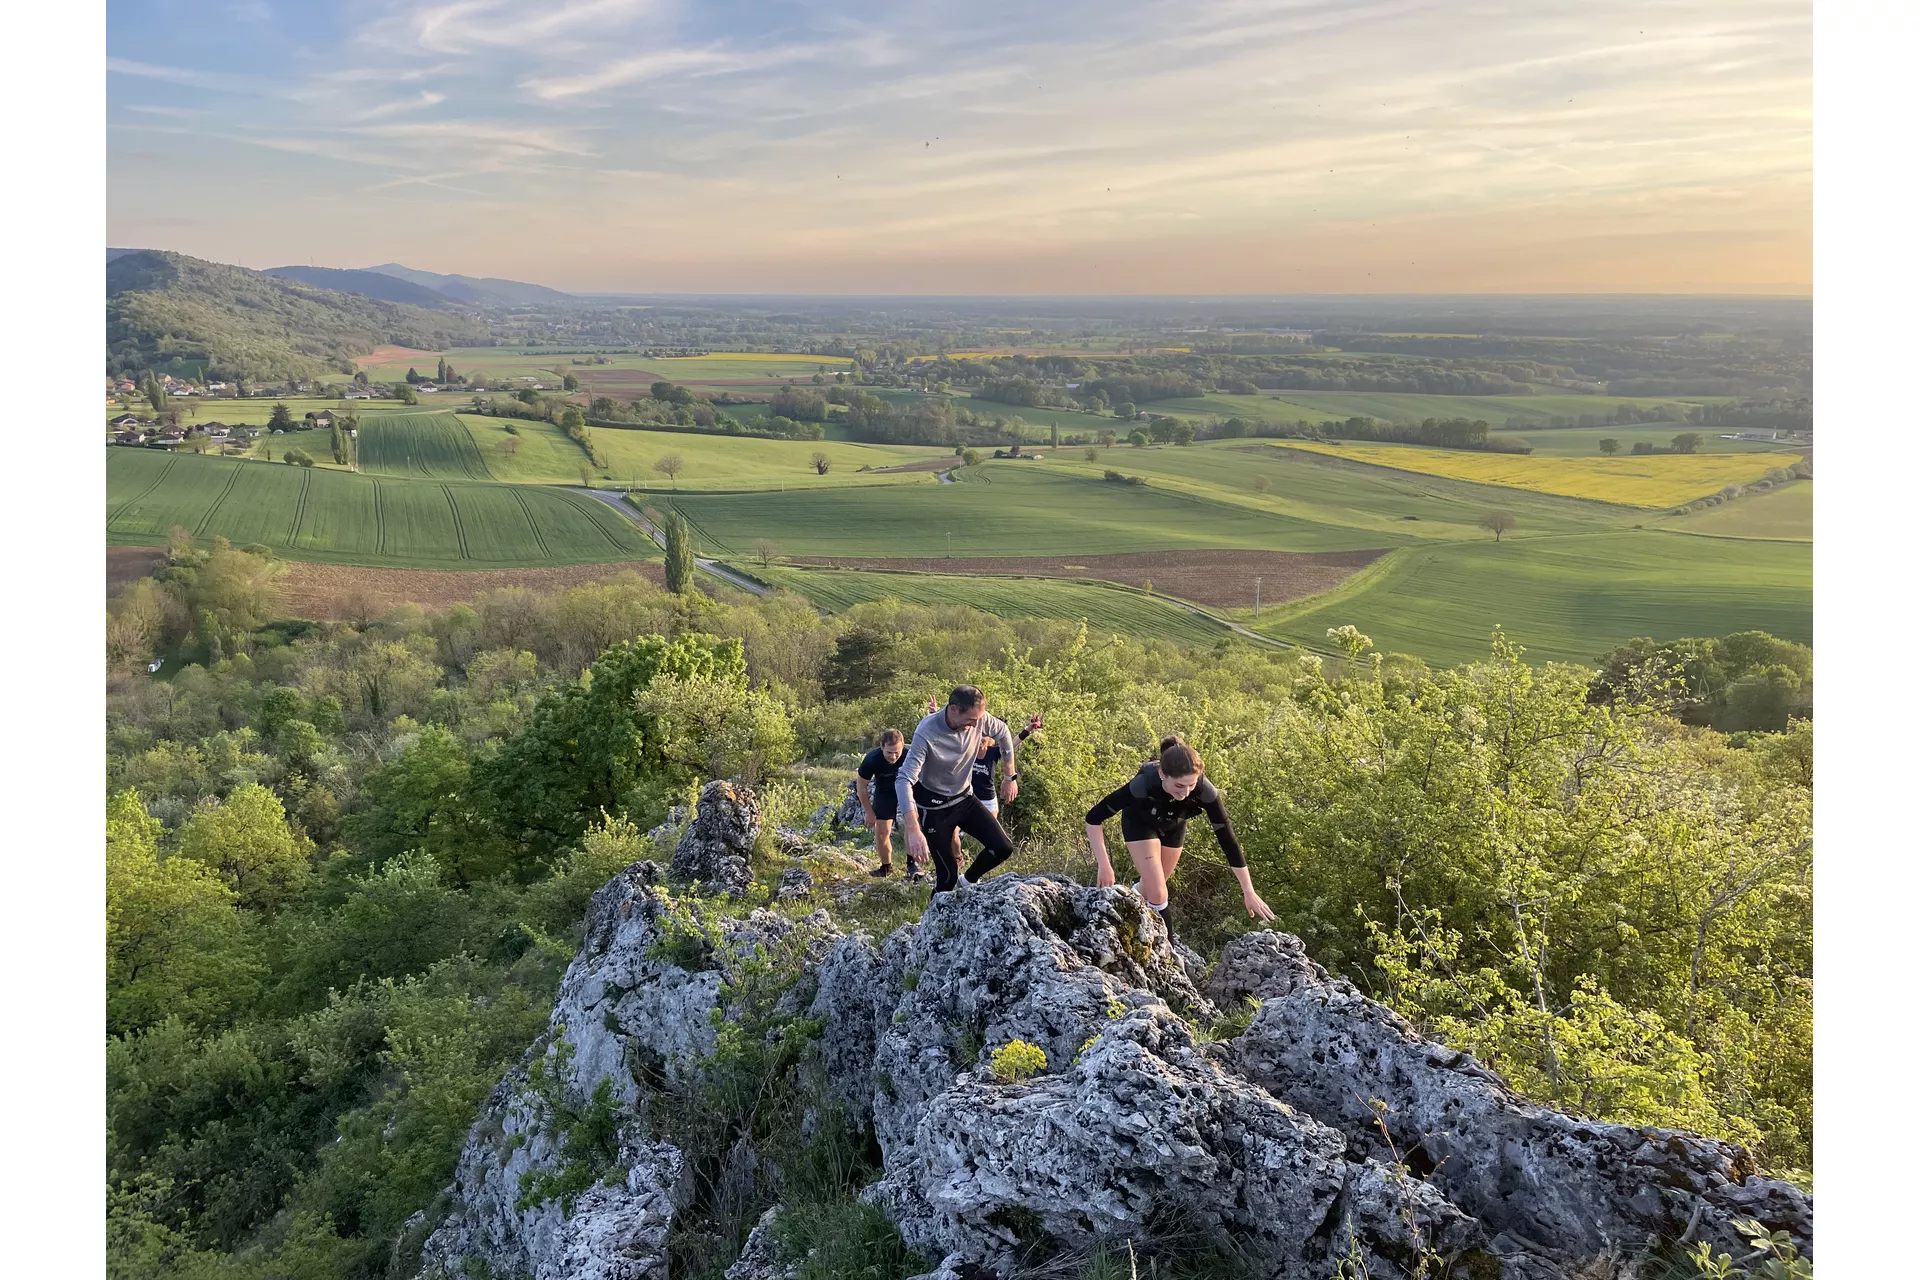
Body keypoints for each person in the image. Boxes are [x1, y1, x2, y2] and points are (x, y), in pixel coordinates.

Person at [1085, 735, 1274, 920]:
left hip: (1174, 825)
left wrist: (1248, 891)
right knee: (1159, 893)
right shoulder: (1143, 784)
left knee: (1149, 888)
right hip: (1140, 822)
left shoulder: (1205, 791)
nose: (1185, 793)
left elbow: (1228, 840)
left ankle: (1130, 913)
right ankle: (1168, 950)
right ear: (1162, 774)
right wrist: (1104, 864)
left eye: (1191, 785)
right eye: (1179, 785)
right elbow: (1093, 818)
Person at [897, 685, 1022, 894]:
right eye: (971, 721)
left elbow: (1003, 732)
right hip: (934, 807)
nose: (976, 726)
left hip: (964, 799)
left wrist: (1010, 776)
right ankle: (931, 924)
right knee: (947, 877)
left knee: (1003, 848)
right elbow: (904, 779)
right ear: (954, 709)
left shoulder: (979, 719)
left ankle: (968, 882)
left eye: (978, 721)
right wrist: (912, 828)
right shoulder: (927, 731)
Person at [949, 712, 1042, 865]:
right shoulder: (968, 751)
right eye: (980, 736)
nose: (981, 740)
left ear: (990, 740)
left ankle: (985, 865)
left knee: (993, 838)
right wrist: (932, 713)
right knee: (953, 833)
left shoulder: (994, 753)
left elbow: (1012, 744)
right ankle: (959, 860)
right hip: (967, 798)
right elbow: (949, 736)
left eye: (985, 737)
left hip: (987, 800)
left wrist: (1029, 729)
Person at [856, 728, 920, 879]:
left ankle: (912, 865)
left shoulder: (911, 754)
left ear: (903, 746)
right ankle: (886, 867)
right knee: (882, 831)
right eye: (889, 752)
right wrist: (869, 812)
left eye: (897, 752)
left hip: (910, 789)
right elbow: (861, 787)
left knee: (911, 824)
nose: (893, 756)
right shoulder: (872, 759)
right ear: (881, 747)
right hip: (885, 791)